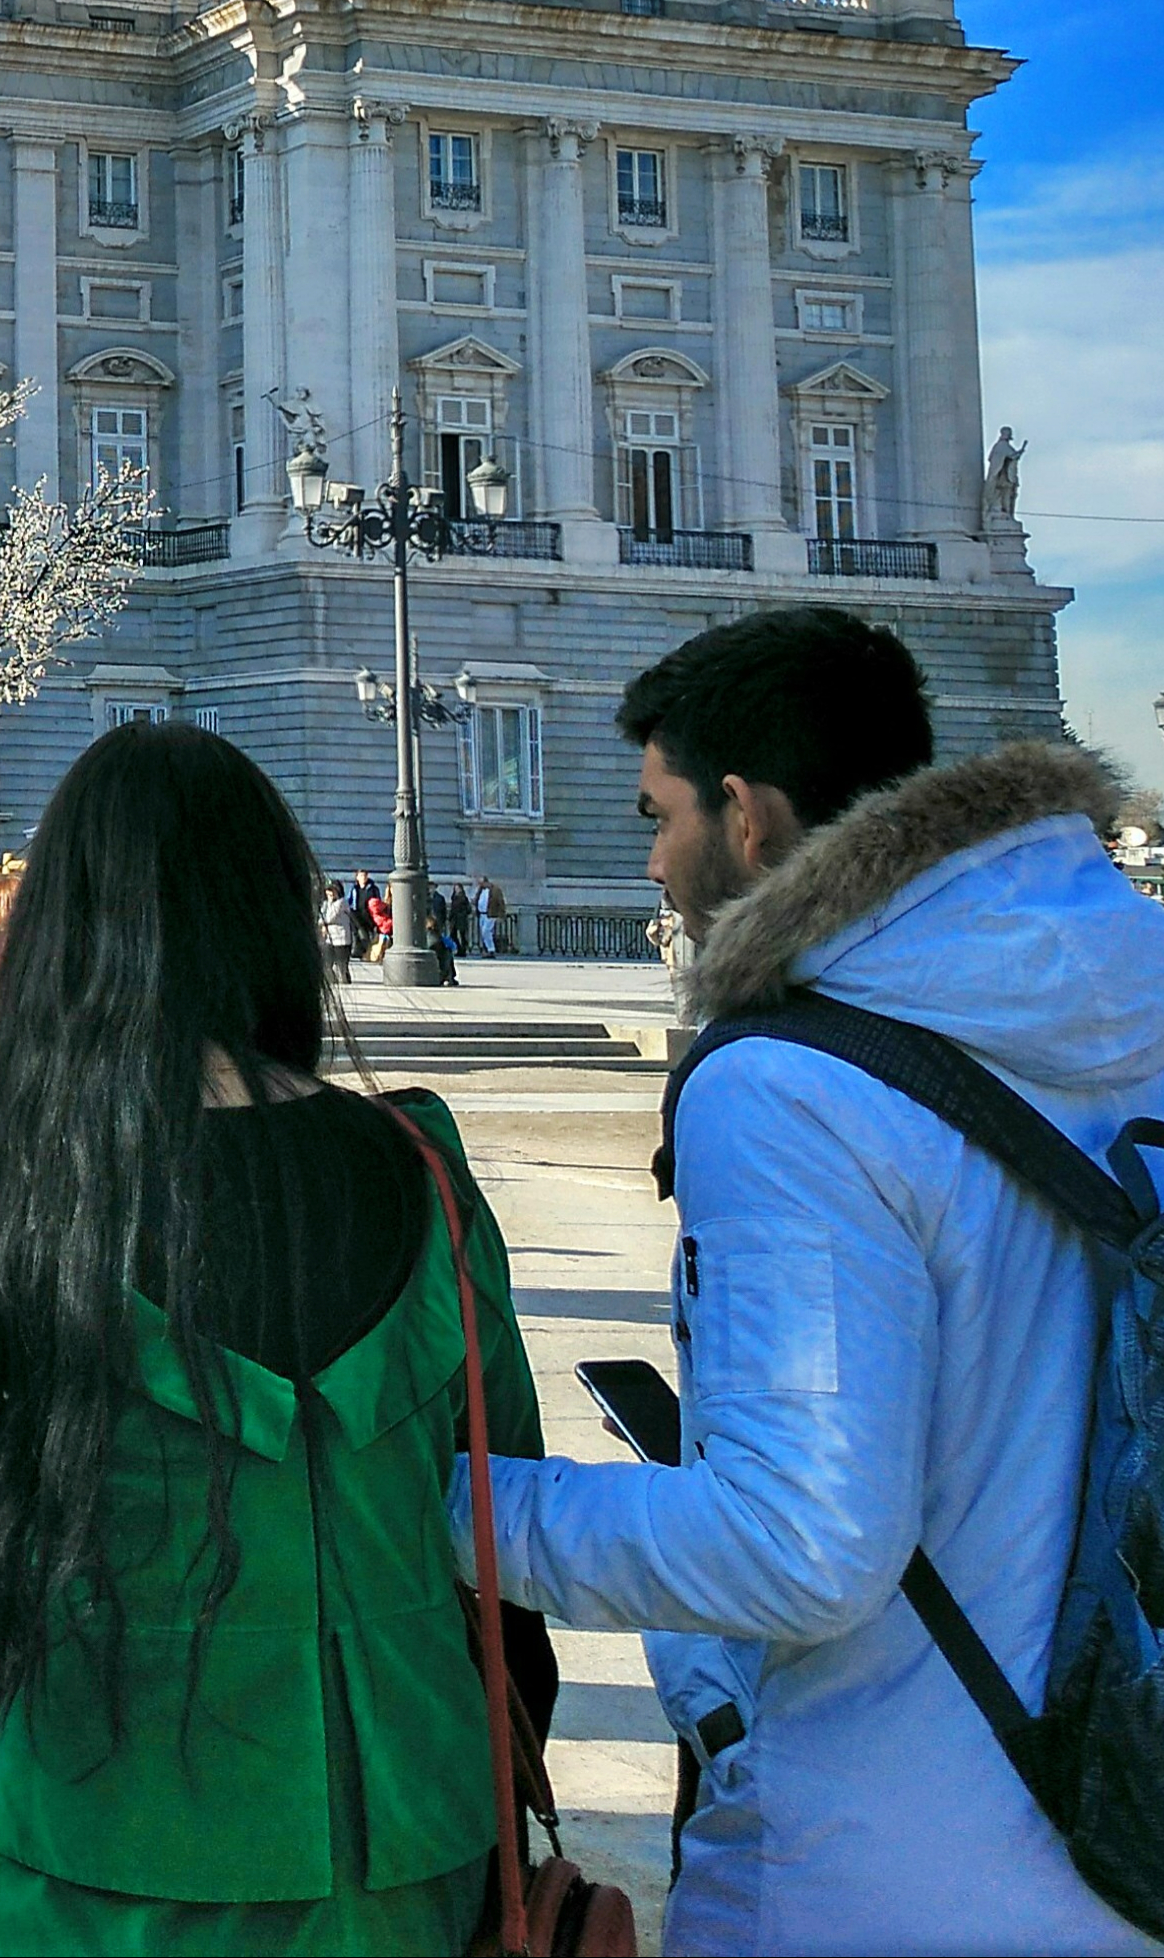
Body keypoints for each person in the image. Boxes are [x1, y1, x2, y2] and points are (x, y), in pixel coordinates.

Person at [458, 606, 1164, 1958]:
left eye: (658, 814)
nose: (654, 861)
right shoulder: (1132, 983)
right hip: (1127, 1826)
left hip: (880, 1856)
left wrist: (464, 1511)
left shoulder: (784, 1084)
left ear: (747, 815)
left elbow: (798, 1546)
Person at [0, 719, 547, 1954]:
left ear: (63, 928)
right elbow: (501, 1512)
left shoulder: (1, 1186)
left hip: (104, 1844)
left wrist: (73, 1711)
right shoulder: (425, 1172)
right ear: (278, 915)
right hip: (406, 1842)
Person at [319, 877, 356, 985]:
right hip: (329, 938)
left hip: (341, 938)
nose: (329, 893)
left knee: (342, 965)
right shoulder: (326, 904)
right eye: (328, 890)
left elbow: (330, 917)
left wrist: (330, 903)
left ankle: (345, 980)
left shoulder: (341, 903)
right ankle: (332, 980)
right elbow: (321, 918)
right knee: (327, 963)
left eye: (332, 891)